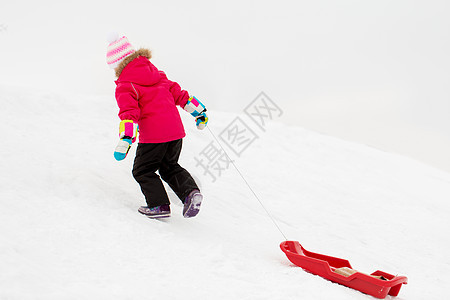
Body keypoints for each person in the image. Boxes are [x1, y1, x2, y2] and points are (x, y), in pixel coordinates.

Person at [106, 33, 208, 219]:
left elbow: (129, 114)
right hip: (176, 133)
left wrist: (126, 139)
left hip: (154, 136)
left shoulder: (126, 85)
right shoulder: (159, 76)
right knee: (170, 166)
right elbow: (182, 96)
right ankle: (190, 193)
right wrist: (199, 112)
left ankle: (158, 205)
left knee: (142, 170)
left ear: (117, 66)